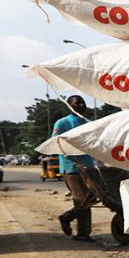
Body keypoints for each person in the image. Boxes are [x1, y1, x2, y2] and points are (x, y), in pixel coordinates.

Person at [52, 95, 97, 242]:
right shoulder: (62, 123)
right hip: (71, 167)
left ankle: (67, 217)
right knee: (81, 199)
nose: (81, 106)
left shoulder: (88, 123)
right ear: (69, 106)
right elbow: (55, 142)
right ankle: (83, 233)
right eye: (77, 103)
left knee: (91, 198)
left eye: (83, 103)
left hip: (88, 166)